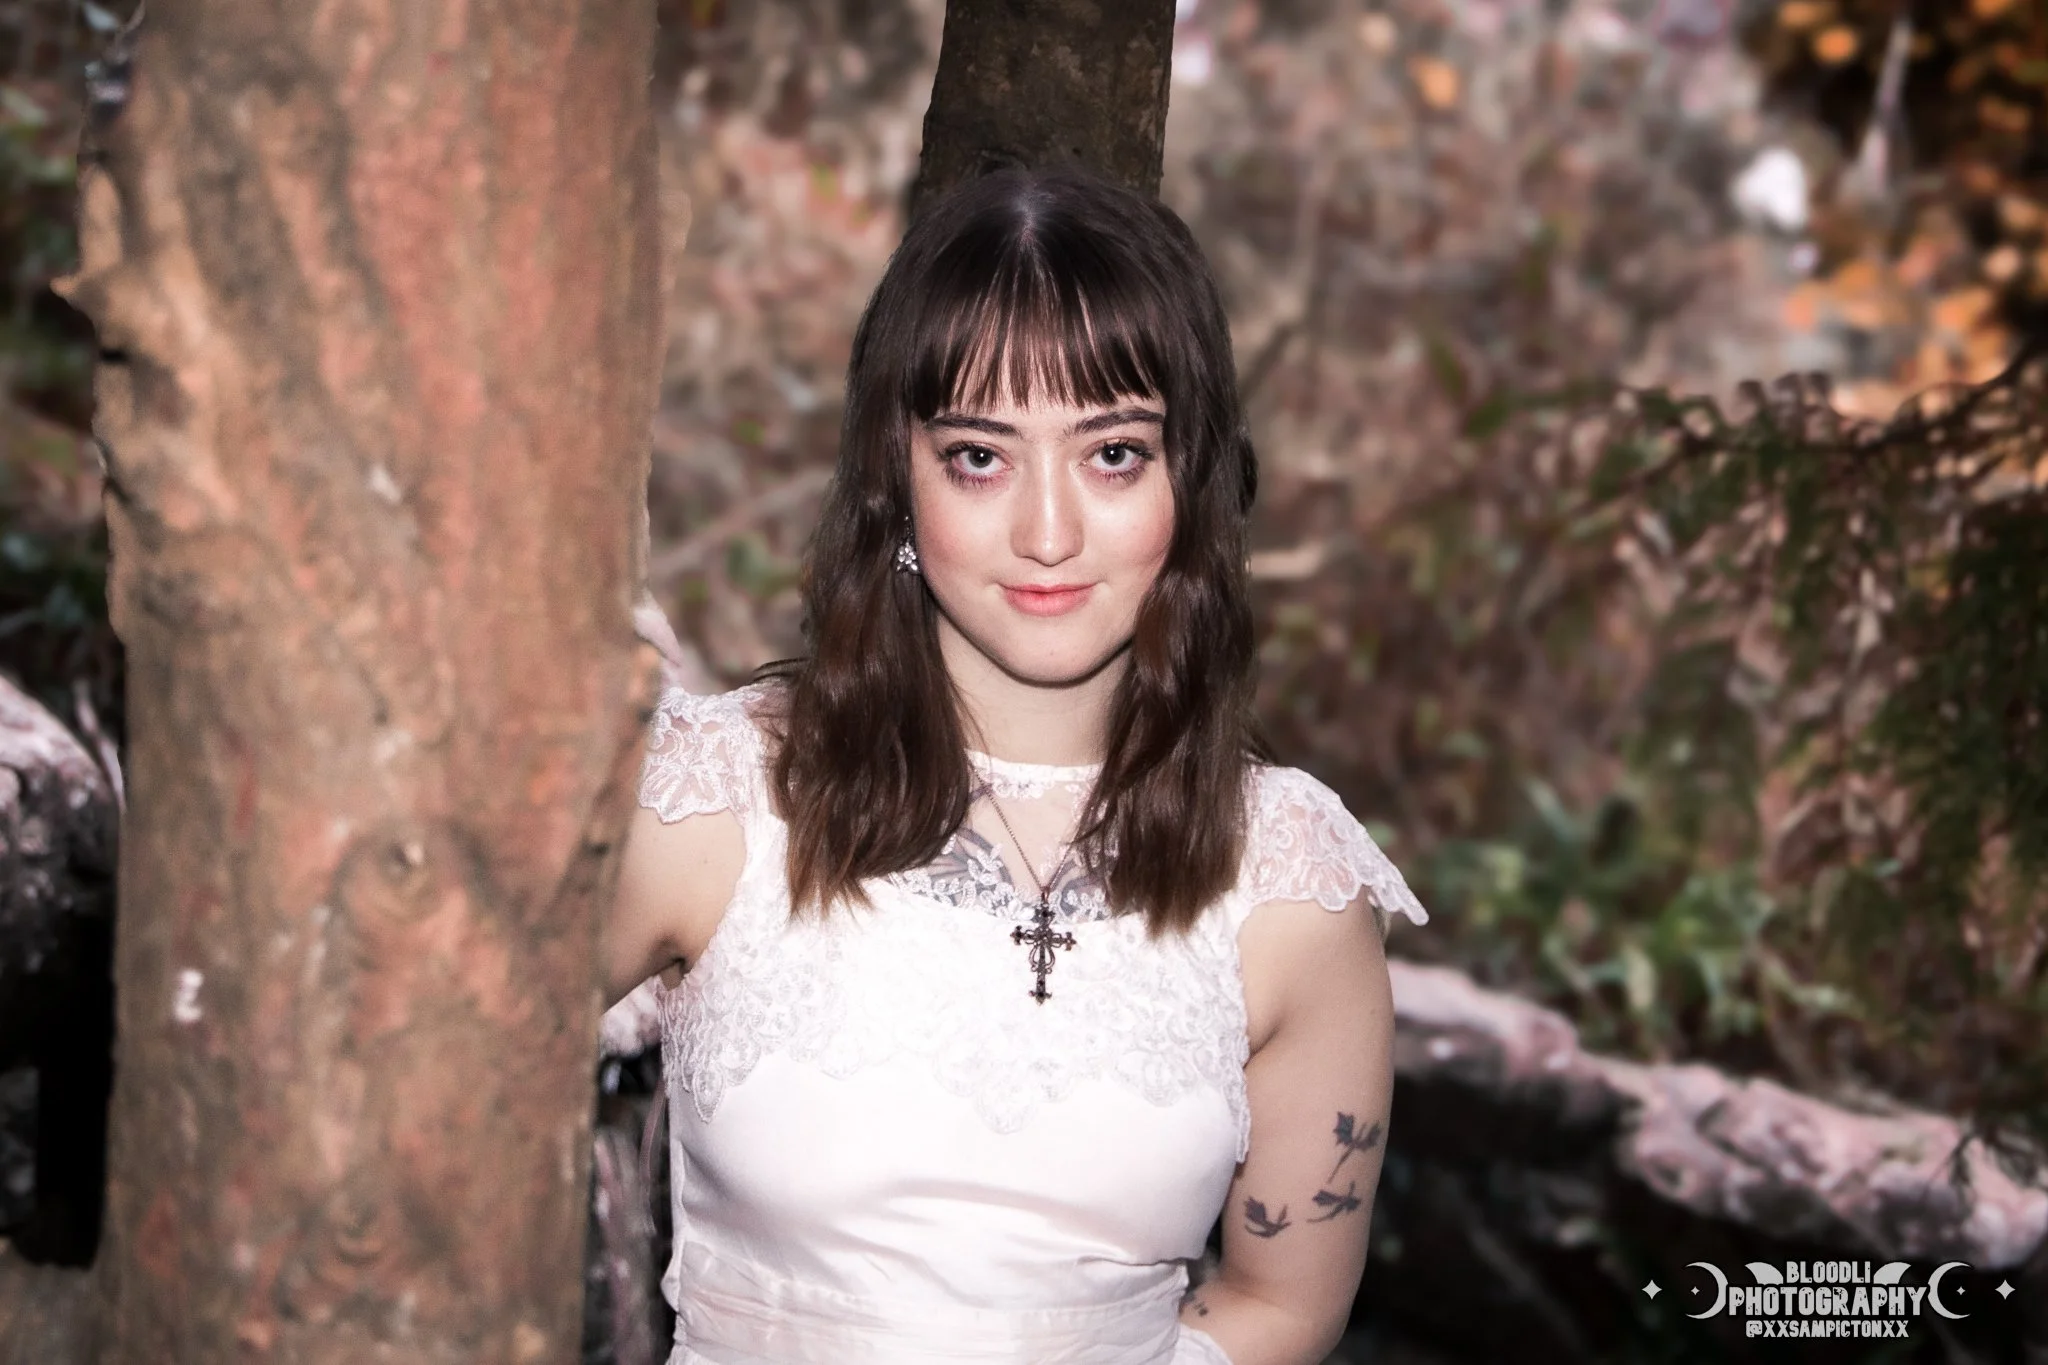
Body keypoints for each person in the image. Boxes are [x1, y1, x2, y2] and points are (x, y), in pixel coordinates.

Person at [602, 165, 1429, 1365]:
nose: (1047, 532)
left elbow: (1280, 1306)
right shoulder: (718, 797)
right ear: (900, 472)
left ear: (1187, 476)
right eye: (981, 457)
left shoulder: (1292, 884)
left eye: (1111, 455)